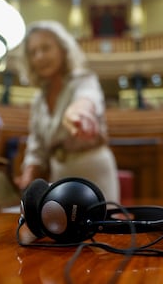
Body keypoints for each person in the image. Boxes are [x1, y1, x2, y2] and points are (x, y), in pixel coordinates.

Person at [14, 20, 120, 203]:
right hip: (60, 173)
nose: (39, 56)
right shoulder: (38, 100)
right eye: (33, 52)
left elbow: (87, 99)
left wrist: (79, 113)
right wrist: (28, 174)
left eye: (46, 48)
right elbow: (36, 145)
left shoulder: (83, 79)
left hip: (94, 169)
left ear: (63, 49)